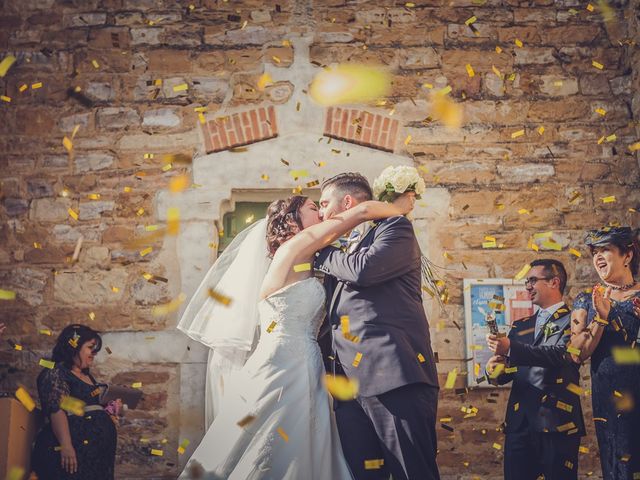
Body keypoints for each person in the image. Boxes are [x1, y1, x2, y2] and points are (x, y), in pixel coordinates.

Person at [178, 192, 415, 479]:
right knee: (271, 437)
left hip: (302, 359)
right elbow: (362, 212)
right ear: (292, 221)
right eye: (314, 208)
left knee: (296, 441)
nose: (321, 214)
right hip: (286, 361)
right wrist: (399, 207)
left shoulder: (304, 254)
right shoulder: (298, 244)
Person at [314, 173, 440, 480]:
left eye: (324, 204)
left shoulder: (396, 229)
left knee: (412, 472)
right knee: (365, 473)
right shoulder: (345, 245)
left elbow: (365, 271)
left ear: (347, 202)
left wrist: (323, 253)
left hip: (394, 380)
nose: (320, 213)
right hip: (348, 388)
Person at [486, 259, 584, 480]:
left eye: (532, 280)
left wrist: (511, 347)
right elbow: (509, 371)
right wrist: (494, 371)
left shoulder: (574, 321)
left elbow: (562, 354)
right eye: (526, 281)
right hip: (519, 425)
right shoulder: (520, 325)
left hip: (558, 423)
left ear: (554, 282)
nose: (527, 286)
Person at [566, 227, 640, 480]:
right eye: (594, 252)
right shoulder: (586, 299)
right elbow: (576, 353)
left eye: (605, 250)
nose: (598, 257)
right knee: (616, 463)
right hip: (608, 396)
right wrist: (601, 318)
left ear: (627, 255)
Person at [32, 324, 120, 480]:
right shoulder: (56, 373)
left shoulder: (87, 376)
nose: (94, 353)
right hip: (74, 451)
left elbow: (87, 408)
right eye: (90, 347)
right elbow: (57, 409)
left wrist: (109, 411)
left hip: (96, 457)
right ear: (74, 347)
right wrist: (66, 445)